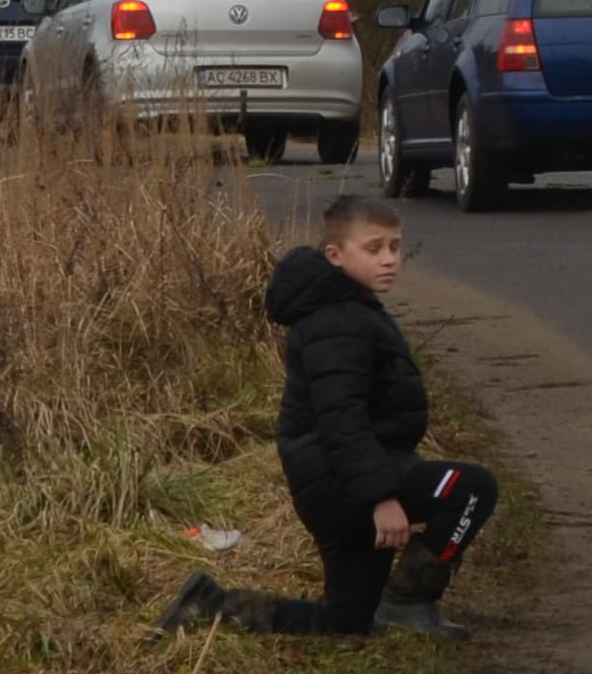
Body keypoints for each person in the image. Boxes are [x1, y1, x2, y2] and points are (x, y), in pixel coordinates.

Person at [157, 194, 499, 642]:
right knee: (472, 488)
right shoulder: (338, 321)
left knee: (348, 621)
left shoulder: (345, 309)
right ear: (334, 255)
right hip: (341, 483)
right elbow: (341, 419)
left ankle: (212, 605)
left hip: (333, 483)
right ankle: (410, 603)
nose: (389, 260)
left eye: (394, 246)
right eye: (373, 248)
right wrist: (383, 499)